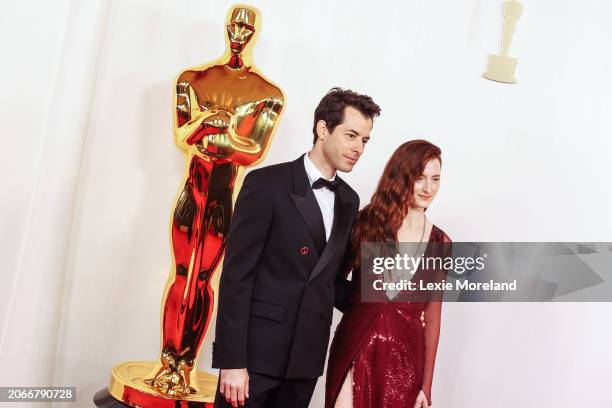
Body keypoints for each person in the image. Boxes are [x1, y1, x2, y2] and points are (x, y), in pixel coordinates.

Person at [212, 88, 381, 408]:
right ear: (322, 129)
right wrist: (232, 361)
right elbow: (236, 277)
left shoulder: (349, 200)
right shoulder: (266, 185)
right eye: (351, 135)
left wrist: (389, 301)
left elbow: (330, 281)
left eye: (365, 141)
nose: (358, 148)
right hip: (252, 360)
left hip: (305, 362)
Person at [326, 140, 452, 408]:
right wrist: (364, 306)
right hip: (356, 344)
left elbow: (432, 316)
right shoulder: (367, 223)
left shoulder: (440, 242)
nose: (428, 188)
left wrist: (426, 387)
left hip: (406, 358)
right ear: (402, 176)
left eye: (435, 179)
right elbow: (332, 280)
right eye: (420, 178)